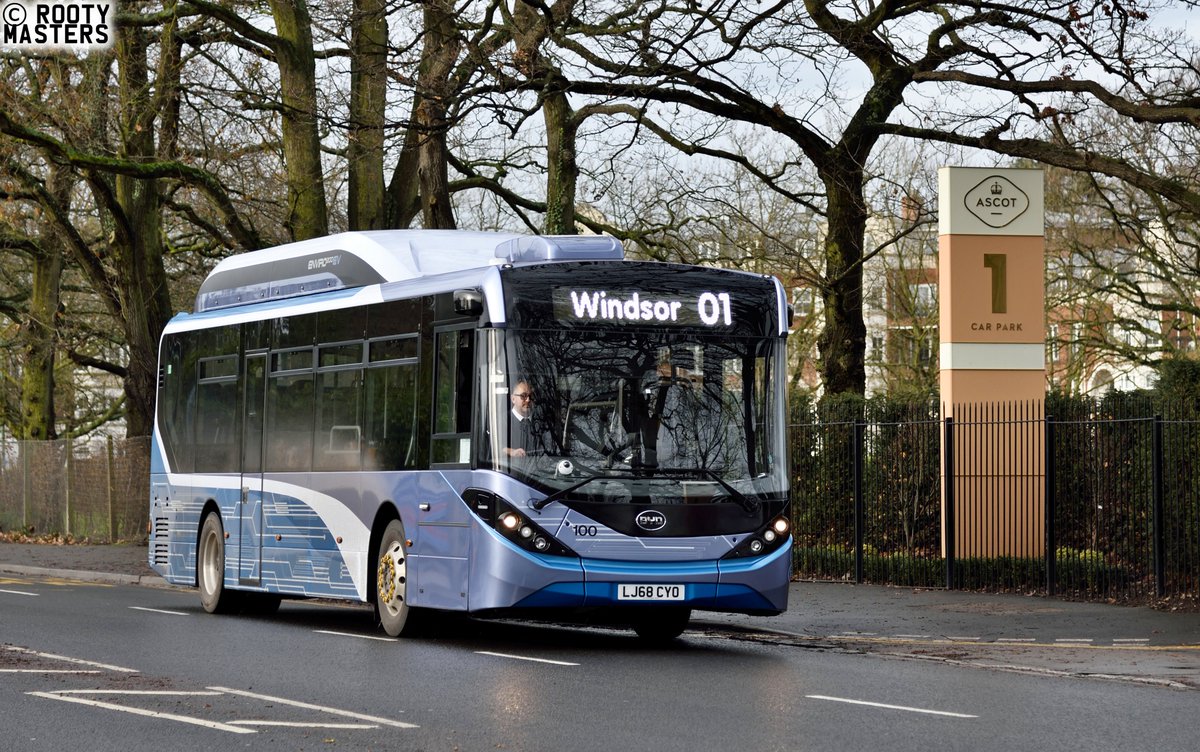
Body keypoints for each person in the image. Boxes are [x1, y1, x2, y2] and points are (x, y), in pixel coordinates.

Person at [505, 379, 539, 459]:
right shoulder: (502, 421)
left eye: (530, 396)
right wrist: (511, 452)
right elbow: (494, 447)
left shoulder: (540, 421)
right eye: (523, 396)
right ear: (513, 399)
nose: (528, 400)